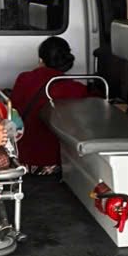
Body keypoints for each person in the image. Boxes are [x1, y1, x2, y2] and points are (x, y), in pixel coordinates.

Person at [10, 37, 88, 174]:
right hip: (53, 164)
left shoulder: (23, 78)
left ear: (41, 60)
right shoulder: (76, 88)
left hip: (20, 161)